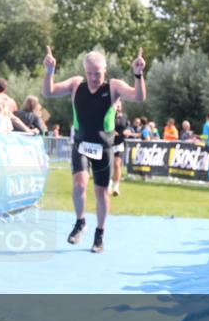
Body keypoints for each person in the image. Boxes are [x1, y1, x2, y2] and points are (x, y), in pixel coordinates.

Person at [43, 45, 146, 253]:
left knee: (101, 192)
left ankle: (99, 233)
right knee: (79, 185)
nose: (93, 78)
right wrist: (49, 72)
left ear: (105, 71)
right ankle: (80, 222)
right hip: (81, 144)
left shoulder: (113, 87)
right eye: (89, 73)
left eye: (97, 74)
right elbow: (48, 92)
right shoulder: (75, 84)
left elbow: (138, 97)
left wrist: (138, 74)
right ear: (84, 71)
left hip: (104, 147)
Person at [110, 100, 131, 196]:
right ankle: (109, 183)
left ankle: (116, 187)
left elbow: (127, 127)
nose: (118, 106)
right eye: (116, 104)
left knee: (117, 164)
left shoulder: (124, 116)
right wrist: (111, 131)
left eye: (119, 105)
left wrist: (128, 131)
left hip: (119, 143)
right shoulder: (109, 115)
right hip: (108, 144)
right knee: (109, 165)